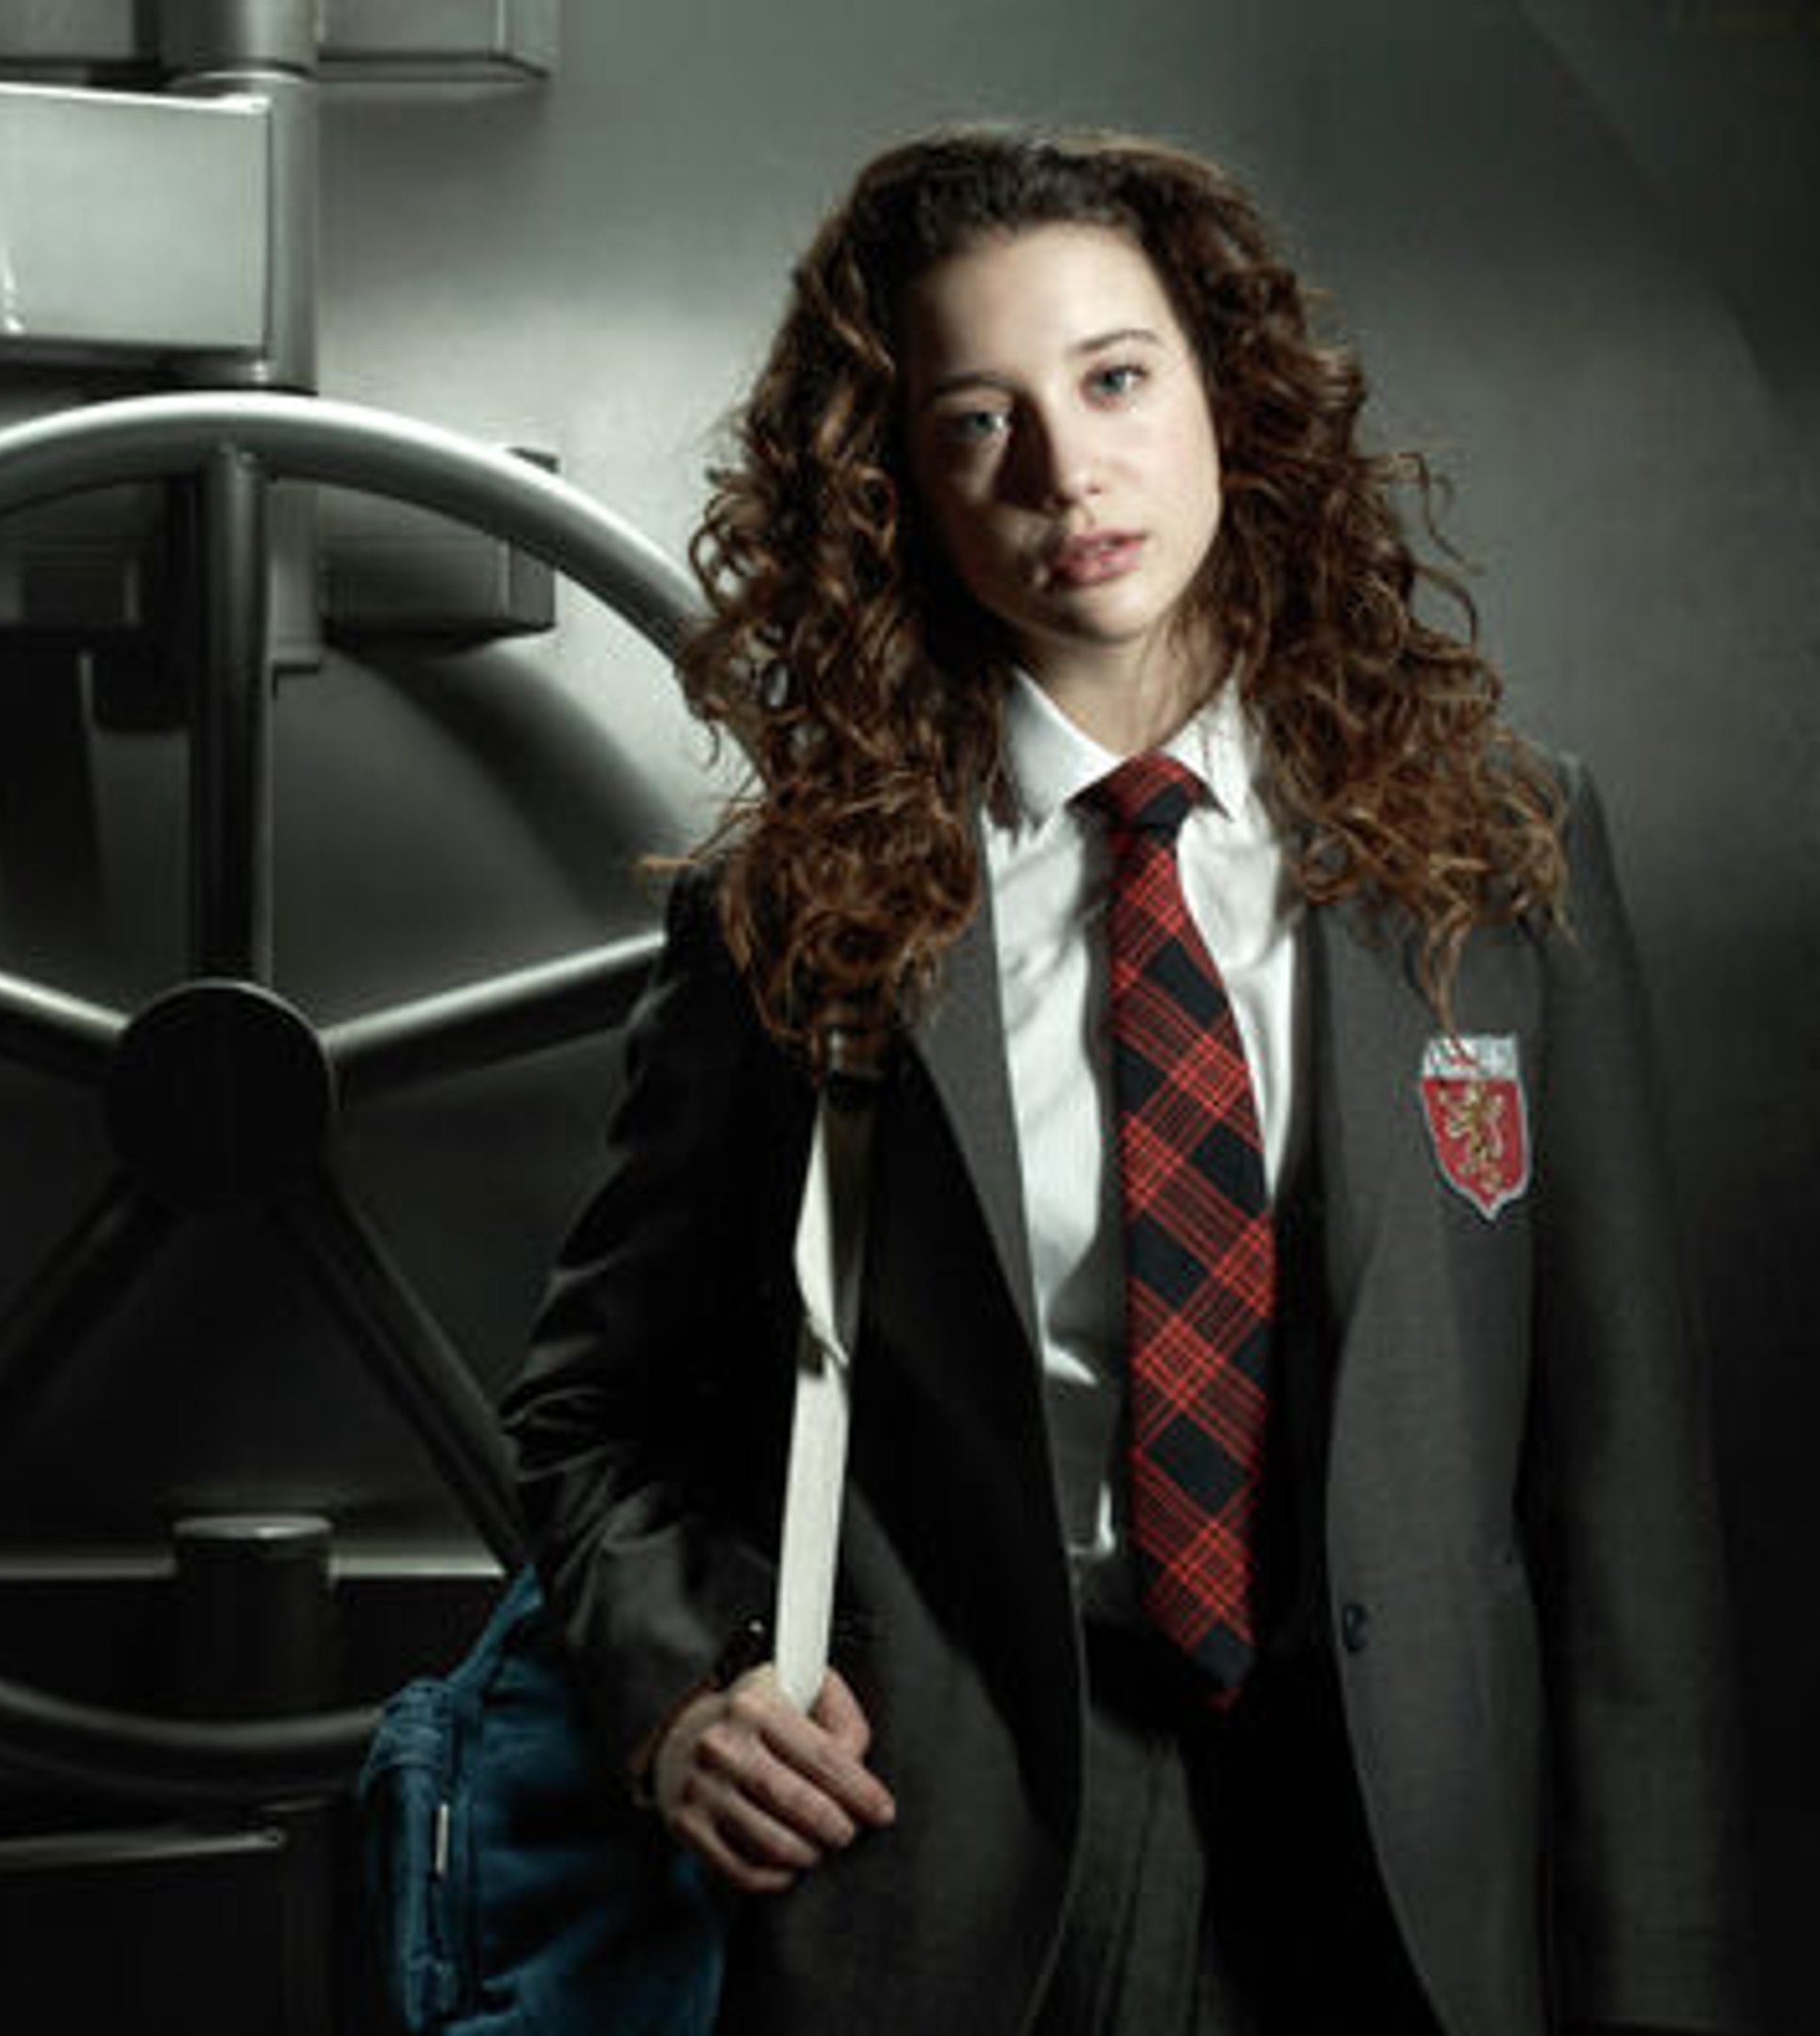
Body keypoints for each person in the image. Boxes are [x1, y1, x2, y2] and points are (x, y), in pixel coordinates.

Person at [498, 125, 1748, 2034]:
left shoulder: (1496, 849)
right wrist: (680, 1697)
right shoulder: (800, 910)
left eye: (1113, 379)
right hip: (946, 1866)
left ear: (1227, 393)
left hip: (1408, 1866)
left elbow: (1622, 1494)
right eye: (975, 420)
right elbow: (593, 1408)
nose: (1066, 473)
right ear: (895, 480)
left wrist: (1659, 1992)